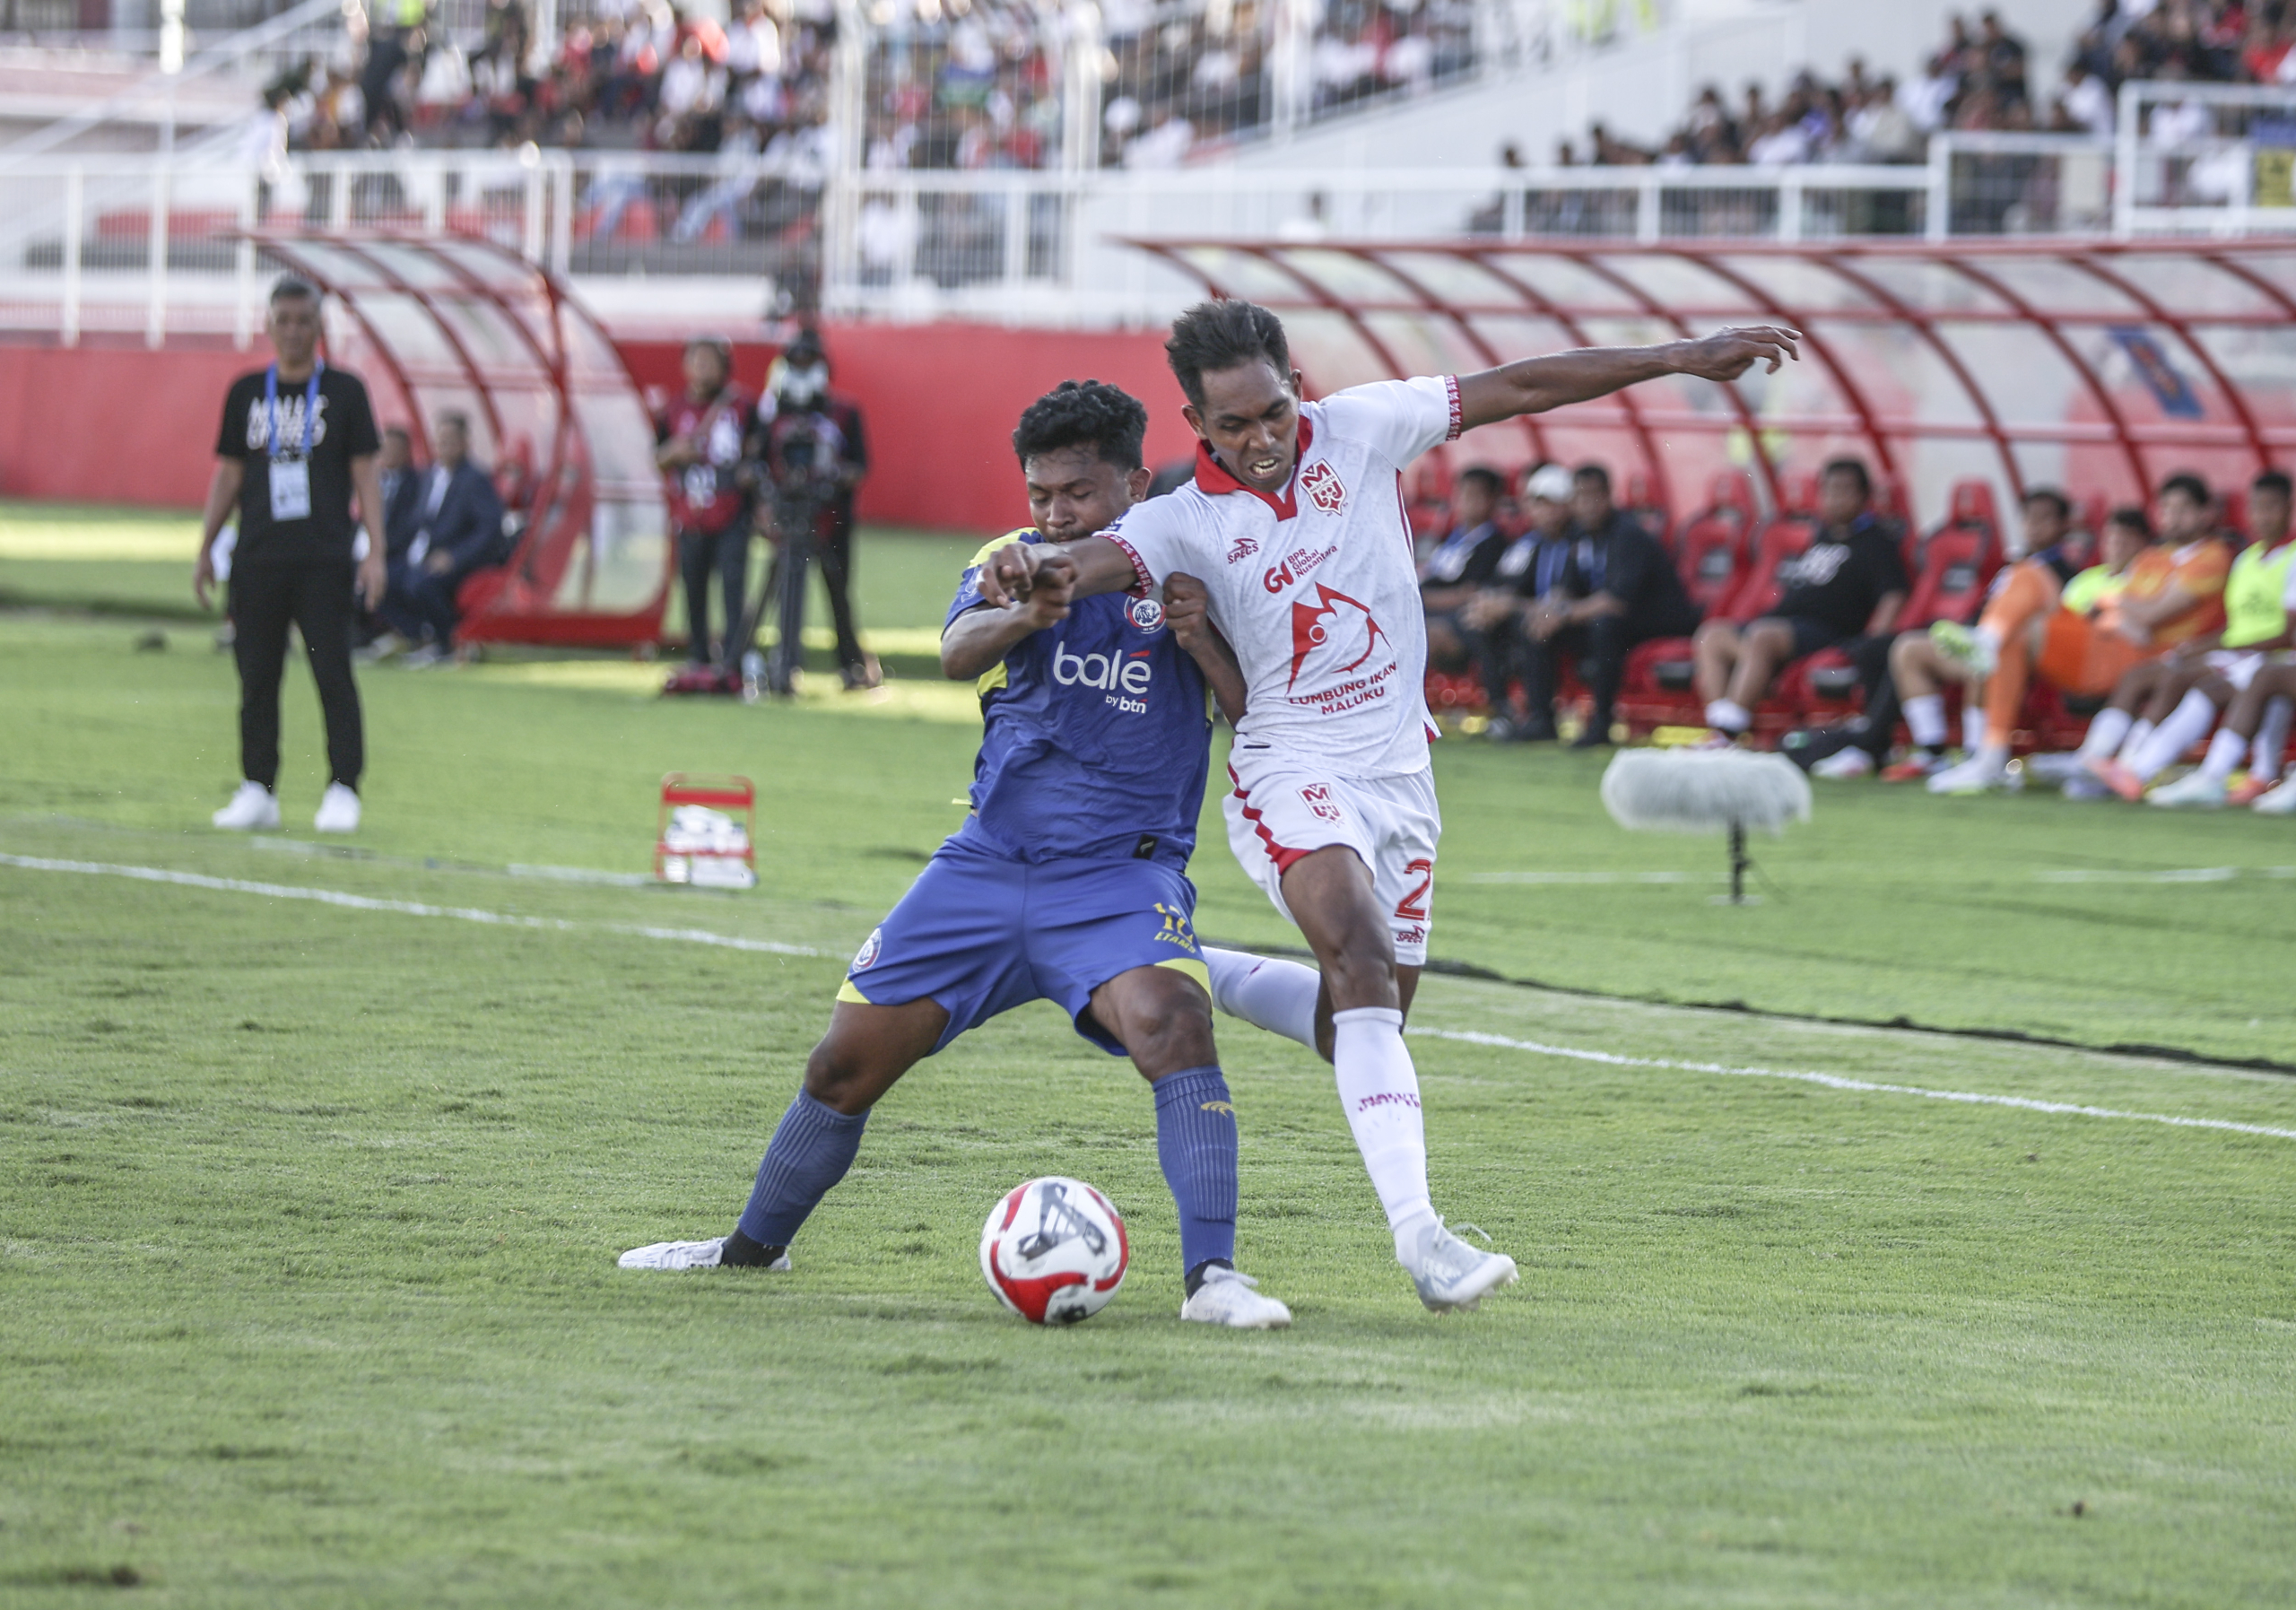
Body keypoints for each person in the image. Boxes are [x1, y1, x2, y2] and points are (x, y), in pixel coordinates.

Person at [970, 299, 1799, 1312]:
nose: (1259, 439)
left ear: (1297, 391)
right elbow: (1089, 561)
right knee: (1360, 958)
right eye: (1231, 426)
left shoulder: (1363, 427)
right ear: (1198, 425)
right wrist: (1031, 570)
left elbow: (1525, 384)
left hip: (1401, 775)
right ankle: (1424, 1240)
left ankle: (1189, 961)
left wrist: (1679, 355)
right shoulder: (1178, 516)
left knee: (1359, 1019)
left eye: (1271, 413)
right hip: (1287, 763)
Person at [618, 379, 1295, 1330]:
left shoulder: (1190, 570)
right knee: (841, 1066)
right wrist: (1022, 615)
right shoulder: (1007, 562)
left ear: (1135, 484)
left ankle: (1213, 1280)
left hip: (1116, 878)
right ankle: (747, 1253)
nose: (1056, 515)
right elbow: (954, 650)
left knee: (1173, 1023)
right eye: (1041, 495)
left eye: (1079, 494)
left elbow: (1256, 709)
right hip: (986, 866)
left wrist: (1199, 637)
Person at [196, 274, 386, 837]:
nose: (295, 331)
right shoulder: (246, 390)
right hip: (256, 556)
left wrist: (377, 551)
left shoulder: (346, 392)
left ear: (320, 327)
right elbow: (230, 471)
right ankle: (259, 788)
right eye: (285, 320)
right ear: (269, 325)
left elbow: (365, 473)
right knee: (256, 676)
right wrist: (205, 546)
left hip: (324, 557)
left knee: (332, 673)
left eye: (306, 321)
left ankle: (343, 788)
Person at [1926, 474, 2229, 796]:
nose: (2172, 517)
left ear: (2205, 513)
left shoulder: (2211, 556)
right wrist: (2123, 609)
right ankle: (1989, 655)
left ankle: (1989, 745)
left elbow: (2150, 617)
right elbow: (2118, 609)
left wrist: (2119, 606)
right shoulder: (2152, 557)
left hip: (2146, 654)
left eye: (2183, 509)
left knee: (2020, 630)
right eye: (2167, 508)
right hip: (2106, 642)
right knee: (2025, 576)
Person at [1804, 486, 2082, 783]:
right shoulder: (2015, 564)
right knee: (1904, 648)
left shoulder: (2060, 572)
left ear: (2065, 526)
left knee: (1984, 658)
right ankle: (1931, 751)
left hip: (2017, 653)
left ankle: (1977, 756)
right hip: (1978, 637)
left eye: (2044, 519)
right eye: (2028, 518)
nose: (2034, 527)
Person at [1692, 459, 1908, 744]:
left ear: (1864, 496)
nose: (1835, 499)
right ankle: (1720, 724)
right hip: (1786, 626)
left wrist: (1870, 644)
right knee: (1713, 635)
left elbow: (1893, 595)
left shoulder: (1877, 542)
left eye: (1845, 491)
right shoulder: (1822, 534)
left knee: (1762, 637)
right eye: (1829, 491)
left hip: (1826, 631)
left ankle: (1728, 735)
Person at [2136, 471, 2296, 807]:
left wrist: (2235, 648)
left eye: (2272, 508)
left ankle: (2221, 775)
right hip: (2251, 655)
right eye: (2257, 508)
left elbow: (2288, 635)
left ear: (2289, 509)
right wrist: (2203, 646)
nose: (2262, 516)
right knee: (2193, 676)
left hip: (2268, 654)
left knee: (2265, 678)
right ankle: (2137, 767)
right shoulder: (2245, 560)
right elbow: (2235, 627)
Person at [1518, 462, 1703, 748]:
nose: (1586, 504)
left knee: (1605, 626)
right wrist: (1548, 611)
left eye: (1594, 496)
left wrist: (1563, 614)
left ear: (1608, 496)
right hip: (1613, 621)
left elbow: (1616, 601)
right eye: (1579, 497)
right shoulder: (1579, 535)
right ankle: (1541, 719)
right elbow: (1565, 590)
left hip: (1656, 619)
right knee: (1540, 624)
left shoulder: (1627, 534)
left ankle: (1602, 723)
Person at [764, 329, 879, 691]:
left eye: (807, 362)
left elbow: (860, 466)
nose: (801, 370)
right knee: (784, 591)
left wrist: (831, 476)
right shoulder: (773, 414)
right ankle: (782, 662)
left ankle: (851, 665)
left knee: (838, 592)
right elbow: (762, 462)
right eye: (794, 363)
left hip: (832, 518)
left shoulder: (843, 411)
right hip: (789, 516)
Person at [656, 335, 762, 674]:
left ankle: (733, 659)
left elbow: (759, 451)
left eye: (709, 360)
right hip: (691, 514)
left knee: (733, 588)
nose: (702, 368)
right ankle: (698, 655)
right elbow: (657, 456)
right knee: (694, 589)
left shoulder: (743, 406)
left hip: (732, 512)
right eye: (696, 360)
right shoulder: (673, 409)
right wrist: (674, 452)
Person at [376, 412, 508, 666]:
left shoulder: (475, 480)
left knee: (423, 584)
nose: (443, 446)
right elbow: (416, 522)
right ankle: (419, 637)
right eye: (439, 440)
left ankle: (447, 642)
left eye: (449, 440)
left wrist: (454, 557)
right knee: (384, 581)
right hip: (425, 554)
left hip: (459, 559)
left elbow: (489, 528)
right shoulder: (430, 476)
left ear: (465, 442)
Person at [1460, 462, 1578, 741]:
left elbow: (1568, 595)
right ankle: (1503, 713)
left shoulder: (1579, 540)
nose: (1543, 512)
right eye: (1538, 504)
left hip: (1571, 621)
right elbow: (1503, 585)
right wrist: (1492, 604)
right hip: (1536, 618)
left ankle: (1542, 718)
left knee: (1533, 625)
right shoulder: (1528, 543)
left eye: (1551, 504)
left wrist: (1512, 605)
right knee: (1479, 622)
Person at [1417, 465, 1508, 674]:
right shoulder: (1452, 536)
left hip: (1457, 619)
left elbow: (1469, 593)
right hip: (1430, 607)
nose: (1466, 501)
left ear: (1493, 500)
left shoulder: (1493, 542)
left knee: (1422, 633)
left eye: (1474, 495)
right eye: (1462, 493)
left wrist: (1420, 599)